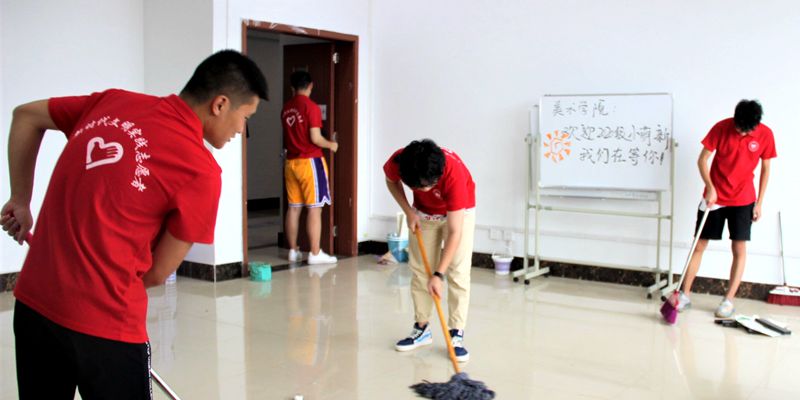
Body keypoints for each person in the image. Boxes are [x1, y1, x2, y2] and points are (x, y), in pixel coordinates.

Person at [0, 50, 267, 399]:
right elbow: (157, 273)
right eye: (245, 117)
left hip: (34, 305)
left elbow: (25, 115)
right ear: (220, 104)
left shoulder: (112, 102)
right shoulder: (201, 171)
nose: (241, 130)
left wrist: (20, 199)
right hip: (107, 327)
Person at [677, 100, 777, 318]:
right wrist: (710, 188)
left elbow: (766, 168)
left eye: (746, 129)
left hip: (744, 199)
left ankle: (728, 300)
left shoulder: (765, 134)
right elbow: (703, 159)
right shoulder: (721, 128)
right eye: (739, 127)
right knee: (699, 245)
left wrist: (759, 202)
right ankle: (684, 295)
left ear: (755, 124)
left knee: (739, 247)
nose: (741, 132)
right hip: (715, 197)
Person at [384, 139, 476, 362]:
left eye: (425, 186)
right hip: (424, 212)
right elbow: (390, 180)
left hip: (459, 213)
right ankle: (422, 328)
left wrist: (438, 274)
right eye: (416, 187)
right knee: (419, 270)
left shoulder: (454, 175)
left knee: (457, 271)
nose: (422, 190)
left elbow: (454, 232)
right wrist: (409, 211)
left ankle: (456, 333)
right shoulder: (402, 160)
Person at [281, 70, 338, 264]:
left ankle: (293, 250)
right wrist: (332, 145)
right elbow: (315, 138)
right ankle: (314, 253)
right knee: (315, 208)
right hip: (310, 162)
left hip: (290, 163)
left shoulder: (286, 108)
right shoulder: (311, 107)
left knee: (294, 208)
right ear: (311, 85)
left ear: (292, 87)